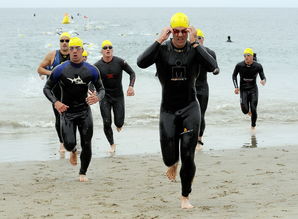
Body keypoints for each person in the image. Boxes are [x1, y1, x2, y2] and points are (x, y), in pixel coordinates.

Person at [137, 12, 218, 209]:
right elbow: (141, 62)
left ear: (188, 30)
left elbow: (213, 66)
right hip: (168, 110)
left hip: (190, 108)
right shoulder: (162, 50)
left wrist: (196, 43)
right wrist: (158, 39)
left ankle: (185, 197)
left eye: (184, 31)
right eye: (176, 31)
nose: (180, 35)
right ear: (170, 31)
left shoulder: (195, 49)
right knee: (168, 157)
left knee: (188, 155)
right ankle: (172, 163)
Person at [43, 37, 105, 182]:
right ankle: (74, 151)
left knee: (87, 143)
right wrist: (56, 102)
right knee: (69, 144)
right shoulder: (60, 69)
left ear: (82, 51)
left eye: (77, 48)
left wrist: (97, 97)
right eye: (72, 48)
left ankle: (83, 173)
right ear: (69, 51)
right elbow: (47, 88)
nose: (75, 51)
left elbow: (101, 89)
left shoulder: (91, 70)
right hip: (67, 112)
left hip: (84, 112)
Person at [94, 40, 136, 153]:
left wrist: (131, 86)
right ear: (102, 51)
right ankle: (112, 145)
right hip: (104, 97)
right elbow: (90, 81)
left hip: (118, 96)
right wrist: (92, 92)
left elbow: (132, 73)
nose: (108, 49)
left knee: (119, 123)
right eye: (105, 48)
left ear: (112, 50)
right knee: (107, 122)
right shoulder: (97, 66)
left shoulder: (120, 62)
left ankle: (119, 124)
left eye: (110, 47)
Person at [37, 32, 71, 155]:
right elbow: (40, 68)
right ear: (59, 43)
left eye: (67, 40)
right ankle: (61, 142)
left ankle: (71, 140)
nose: (64, 43)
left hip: (70, 91)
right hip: (55, 91)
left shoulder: (74, 54)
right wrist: (51, 73)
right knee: (59, 117)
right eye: (62, 41)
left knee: (72, 116)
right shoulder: (53, 55)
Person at [195, 29, 218, 151]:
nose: (198, 40)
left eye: (200, 38)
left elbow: (215, 68)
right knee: (188, 114)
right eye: (196, 37)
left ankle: (199, 138)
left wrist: (215, 69)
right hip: (190, 87)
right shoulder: (189, 51)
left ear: (203, 39)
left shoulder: (209, 52)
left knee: (201, 114)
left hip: (203, 87)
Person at [232, 48, 266, 130]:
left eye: (248, 55)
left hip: (253, 89)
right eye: (244, 55)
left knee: (254, 108)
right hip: (243, 90)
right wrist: (236, 87)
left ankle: (253, 126)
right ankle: (248, 112)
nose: (246, 57)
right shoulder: (239, 65)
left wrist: (263, 81)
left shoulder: (258, 66)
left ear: (252, 56)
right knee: (244, 110)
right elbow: (234, 75)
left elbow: (263, 76)